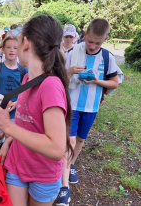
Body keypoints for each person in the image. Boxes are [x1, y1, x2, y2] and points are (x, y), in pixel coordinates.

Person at [0, 15, 73, 206]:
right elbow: (27, 122)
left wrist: (7, 126)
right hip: (18, 164)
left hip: (43, 173)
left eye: (18, 41)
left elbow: (56, 148)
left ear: (25, 42)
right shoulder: (28, 79)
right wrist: (7, 144)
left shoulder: (51, 85)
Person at [58, 18, 119, 205]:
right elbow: (60, 75)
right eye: (90, 41)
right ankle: (64, 186)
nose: (92, 46)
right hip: (73, 105)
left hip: (91, 107)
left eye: (97, 43)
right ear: (85, 35)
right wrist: (69, 71)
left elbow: (114, 82)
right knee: (70, 139)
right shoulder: (73, 52)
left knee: (81, 140)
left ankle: (71, 163)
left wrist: (96, 81)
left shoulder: (107, 58)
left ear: (105, 39)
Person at [0, 35, 28, 150]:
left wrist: (18, 101)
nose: (12, 50)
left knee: (11, 133)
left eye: (15, 48)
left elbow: (28, 90)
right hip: (0, 107)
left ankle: (7, 152)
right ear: (3, 50)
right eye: (8, 47)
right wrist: (0, 98)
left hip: (16, 109)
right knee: (0, 134)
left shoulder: (23, 70)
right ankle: (2, 141)